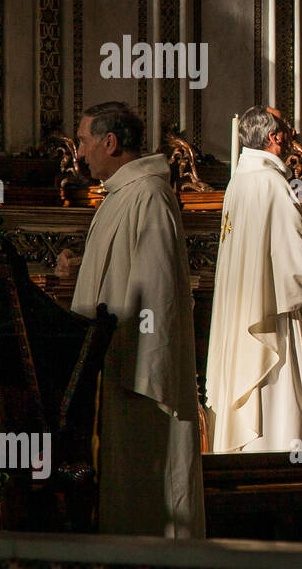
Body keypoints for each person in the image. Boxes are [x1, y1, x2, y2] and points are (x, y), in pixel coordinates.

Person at [71, 101, 204, 536]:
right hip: (116, 370)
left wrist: (147, 376)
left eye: (84, 142)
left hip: (140, 382)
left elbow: (159, 294)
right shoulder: (122, 194)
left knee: (148, 501)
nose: (79, 153)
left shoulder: (148, 194)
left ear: (110, 142)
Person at [207, 106, 302, 453]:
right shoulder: (274, 183)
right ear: (275, 138)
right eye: (287, 128)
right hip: (274, 320)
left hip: (240, 314)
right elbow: (299, 268)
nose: (293, 135)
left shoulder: (236, 183)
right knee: (279, 405)